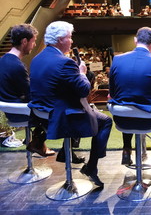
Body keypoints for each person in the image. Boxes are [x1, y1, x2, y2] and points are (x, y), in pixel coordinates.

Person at [28, 21, 112, 189]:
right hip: (61, 117)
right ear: (60, 39)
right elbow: (83, 90)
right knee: (105, 121)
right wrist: (81, 73)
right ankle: (91, 167)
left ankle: (69, 155)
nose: (72, 41)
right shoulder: (65, 62)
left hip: (42, 114)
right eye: (69, 37)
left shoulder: (37, 59)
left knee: (88, 110)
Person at [109, 27, 151, 175]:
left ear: (135, 40)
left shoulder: (117, 59)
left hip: (122, 120)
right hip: (149, 121)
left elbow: (113, 92)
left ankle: (126, 148)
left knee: (127, 104)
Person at [0, 24, 55, 157]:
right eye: (33, 41)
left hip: (10, 110)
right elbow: (30, 94)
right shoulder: (17, 66)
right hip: (21, 112)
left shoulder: (3, 60)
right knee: (60, 110)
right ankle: (37, 143)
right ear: (24, 41)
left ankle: (37, 142)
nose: (35, 44)